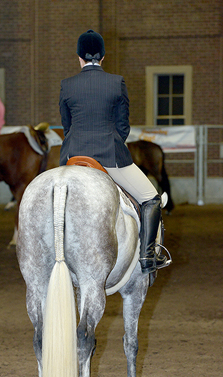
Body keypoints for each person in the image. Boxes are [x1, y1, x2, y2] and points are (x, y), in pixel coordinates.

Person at [59, 29, 169, 274]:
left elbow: (68, 127)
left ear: (79, 57)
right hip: (109, 156)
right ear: (103, 57)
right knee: (151, 198)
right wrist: (112, 143)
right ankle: (148, 257)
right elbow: (123, 126)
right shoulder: (116, 82)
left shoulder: (67, 85)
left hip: (73, 158)